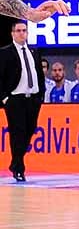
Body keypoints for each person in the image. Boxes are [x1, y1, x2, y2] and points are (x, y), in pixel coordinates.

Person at [1, 20, 45, 181]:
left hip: (33, 99)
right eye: (18, 30)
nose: (22, 33)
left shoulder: (34, 52)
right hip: (15, 99)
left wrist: (41, 95)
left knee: (30, 130)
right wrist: (5, 98)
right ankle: (18, 167)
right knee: (17, 132)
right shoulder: (5, 52)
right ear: (12, 33)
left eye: (24, 30)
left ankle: (15, 162)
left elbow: (39, 74)